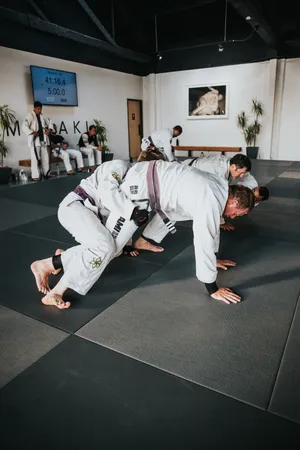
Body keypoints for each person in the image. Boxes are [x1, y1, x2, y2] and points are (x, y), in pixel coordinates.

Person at [121, 160, 255, 304]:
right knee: (110, 246)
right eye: (236, 213)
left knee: (175, 212)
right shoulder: (210, 202)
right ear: (233, 202)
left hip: (158, 176)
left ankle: (143, 241)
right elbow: (204, 241)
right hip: (140, 184)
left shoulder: (221, 187)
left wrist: (213, 258)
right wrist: (212, 288)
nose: (233, 217)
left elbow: (214, 227)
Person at [30, 159, 149, 309]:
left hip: (91, 216)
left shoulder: (137, 187)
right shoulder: (121, 166)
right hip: (75, 207)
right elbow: (107, 192)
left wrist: (126, 243)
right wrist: (133, 211)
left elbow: (122, 216)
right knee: (104, 248)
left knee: (114, 250)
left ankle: (63, 258)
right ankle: (50, 277)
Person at [22, 101, 54, 181]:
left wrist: (49, 130)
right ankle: (35, 176)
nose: (39, 110)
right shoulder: (30, 116)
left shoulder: (43, 116)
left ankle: (46, 173)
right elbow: (24, 126)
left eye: (40, 109)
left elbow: (50, 123)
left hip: (43, 140)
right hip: (35, 141)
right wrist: (32, 132)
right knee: (35, 158)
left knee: (45, 157)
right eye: (38, 109)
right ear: (35, 108)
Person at [183, 153, 251, 181]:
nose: (242, 176)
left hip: (189, 165)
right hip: (185, 173)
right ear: (233, 167)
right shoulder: (220, 173)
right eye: (242, 172)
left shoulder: (229, 161)